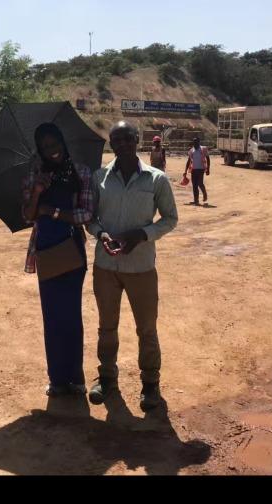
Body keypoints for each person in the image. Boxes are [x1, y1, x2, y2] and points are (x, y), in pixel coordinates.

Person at [86, 121, 178, 412]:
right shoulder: (99, 178)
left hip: (141, 268)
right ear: (111, 144)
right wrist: (101, 234)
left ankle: (150, 384)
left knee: (147, 329)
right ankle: (106, 378)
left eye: (128, 138)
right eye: (117, 140)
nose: (123, 144)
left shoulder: (156, 179)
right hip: (106, 266)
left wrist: (142, 234)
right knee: (106, 326)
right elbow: (90, 218)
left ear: (137, 140)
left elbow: (170, 218)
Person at [22, 123, 94, 397]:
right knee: (51, 317)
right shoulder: (35, 175)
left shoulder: (81, 172)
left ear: (63, 142)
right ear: (40, 150)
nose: (52, 150)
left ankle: (76, 378)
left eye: (55, 144)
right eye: (46, 147)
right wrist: (38, 191)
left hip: (71, 249)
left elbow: (86, 213)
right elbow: (27, 215)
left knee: (71, 315)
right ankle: (57, 379)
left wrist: (51, 211)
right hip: (46, 250)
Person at [183, 137, 210, 206]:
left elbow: (208, 158)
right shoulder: (191, 150)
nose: (195, 143)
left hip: (201, 169)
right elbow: (188, 161)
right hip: (193, 170)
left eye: (196, 142)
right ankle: (196, 201)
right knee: (194, 185)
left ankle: (204, 193)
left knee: (200, 183)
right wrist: (185, 171)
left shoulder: (203, 149)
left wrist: (208, 169)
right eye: (194, 142)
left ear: (199, 142)